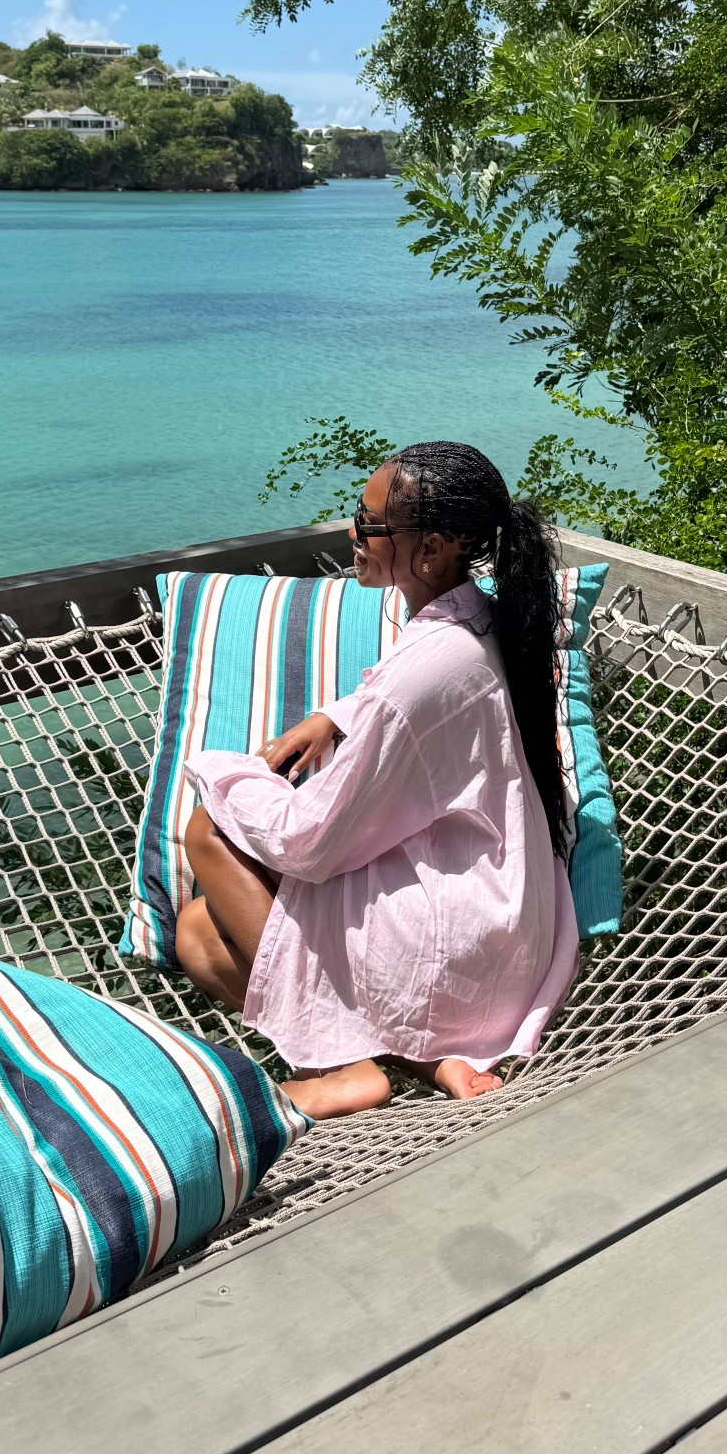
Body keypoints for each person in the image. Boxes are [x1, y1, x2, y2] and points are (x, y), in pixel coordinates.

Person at [174, 441, 580, 1120]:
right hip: (504, 930)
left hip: (457, 953)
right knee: (199, 935)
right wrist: (336, 717)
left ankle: (343, 1071)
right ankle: (425, 1060)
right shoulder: (484, 621)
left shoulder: (424, 674)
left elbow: (312, 843)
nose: (352, 534)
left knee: (209, 830)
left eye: (368, 523)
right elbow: (417, 705)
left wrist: (222, 771)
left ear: (431, 549)